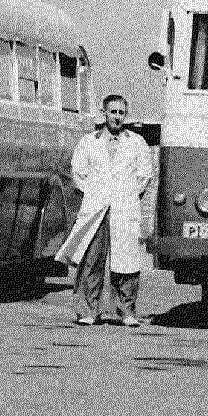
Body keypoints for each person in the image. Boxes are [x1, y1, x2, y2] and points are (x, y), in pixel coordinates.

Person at [56, 94, 154, 327]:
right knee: (92, 260)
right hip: (96, 207)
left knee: (126, 259)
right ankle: (90, 311)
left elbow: (144, 175)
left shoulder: (137, 142)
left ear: (125, 115)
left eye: (121, 113)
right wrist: (95, 193)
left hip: (124, 207)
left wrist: (127, 194)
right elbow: (78, 173)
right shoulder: (89, 141)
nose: (117, 117)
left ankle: (127, 311)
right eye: (113, 112)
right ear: (104, 113)